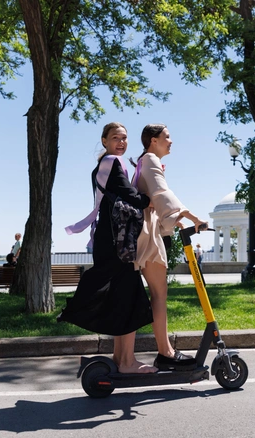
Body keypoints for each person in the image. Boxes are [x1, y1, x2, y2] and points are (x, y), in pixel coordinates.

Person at [59, 122, 156, 374]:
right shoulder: (112, 162)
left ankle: (121, 358)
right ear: (104, 141)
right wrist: (150, 199)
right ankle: (127, 363)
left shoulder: (103, 165)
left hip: (108, 236)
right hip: (117, 239)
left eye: (124, 138)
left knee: (123, 295)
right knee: (130, 295)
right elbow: (129, 195)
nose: (121, 142)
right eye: (116, 138)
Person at [132, 123, 208, 371]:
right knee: (159, 293)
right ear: (153, 140)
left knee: (158, 293)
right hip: (147, 235)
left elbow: (157, 198)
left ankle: (165, 350)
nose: (171, 140)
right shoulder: (150, 158)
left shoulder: (145, 160)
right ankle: (165, 352)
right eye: (167, 136)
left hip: (148, 229)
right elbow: (163, 193)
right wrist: (192, 216)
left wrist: (175, 219)